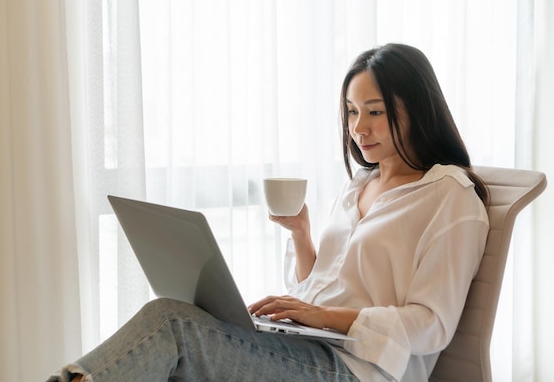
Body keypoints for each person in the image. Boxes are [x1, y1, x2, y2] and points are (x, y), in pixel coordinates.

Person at [47, 43, 489, 382]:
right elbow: (327, 283)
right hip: (309, 346)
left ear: (418, 110)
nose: (358, 128)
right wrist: (302, 238)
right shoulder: (361, 185)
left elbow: (432, 325)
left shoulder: (449, 197)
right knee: (177, 325)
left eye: (375, 112)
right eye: (352, 112)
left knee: (173, 327)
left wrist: (323, 318)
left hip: (355, 369)